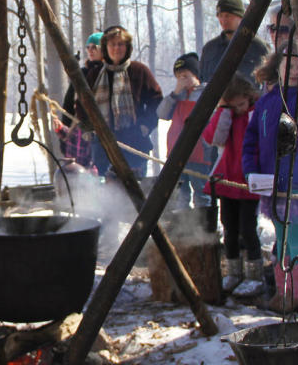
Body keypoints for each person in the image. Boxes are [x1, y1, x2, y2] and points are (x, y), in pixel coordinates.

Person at [243, 52, 298, 313]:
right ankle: (283, 292)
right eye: (288, 65)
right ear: (276, 67)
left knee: (295, 234)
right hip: (270, 182)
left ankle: (296, 294)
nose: (293, 71)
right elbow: (251, 140)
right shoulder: (266, 102)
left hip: (296, 184)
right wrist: (251, 172)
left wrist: (293, 175)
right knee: (281, 236)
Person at [202, 74, 262, 297]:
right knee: (229, 227)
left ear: (249, 98)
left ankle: (255, 274)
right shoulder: (227, 114)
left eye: (241, 104)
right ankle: (234, 271)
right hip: (228, 178)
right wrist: (224, 111)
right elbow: (214, 138)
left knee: (248, 228)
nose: (238, 109)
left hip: (249, 180)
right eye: (233, 105)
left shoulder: (256, 114)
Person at [78, 25, 162, 178]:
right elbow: (83, 104)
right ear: (105, 47)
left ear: (127, 47)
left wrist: (145, 125)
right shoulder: (94, 75)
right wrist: (88, 128)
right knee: (107, 193)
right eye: (112, 44)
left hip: (134, 143)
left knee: (135, 192)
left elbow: (156, 100)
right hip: (103, 145)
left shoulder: (139, 71)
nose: (116, 48)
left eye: (120, 44)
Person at [157, 52, 213, 208]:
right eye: (179, 76)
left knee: (202, 194)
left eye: (185, 75)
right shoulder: (176, 96)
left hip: (199, 153)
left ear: (195, 74)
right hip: (176, 152)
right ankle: (183, 228)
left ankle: (204, 227)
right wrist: (174, 94)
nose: (182, 79)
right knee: (181, 195)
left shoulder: (206, 92)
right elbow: (161, 113)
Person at [56, 31, 104, 170]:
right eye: (88, 47)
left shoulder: (108, 73)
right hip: (79, 134)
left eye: (94, 47)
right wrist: (64, 136)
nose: (90, 50)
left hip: (100, 134)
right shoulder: (82, 73)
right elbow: (69, 105)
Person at [198, 0, 269, 85]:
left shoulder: (258, 47)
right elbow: (202, 80)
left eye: (228, 16)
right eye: (220, 15)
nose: (223, 20)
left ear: (240, 16)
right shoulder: (209, 49)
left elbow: (266, 83)